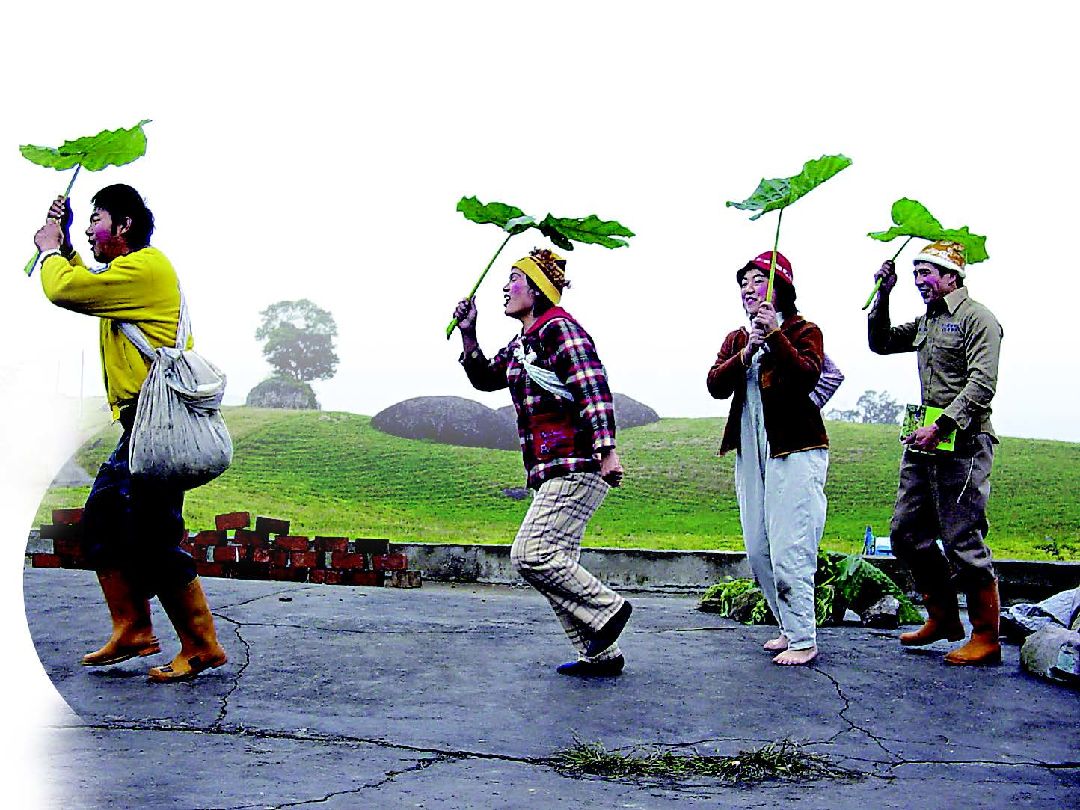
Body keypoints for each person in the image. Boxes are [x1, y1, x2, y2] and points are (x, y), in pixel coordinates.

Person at [33, 184, 227, 683]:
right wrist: (71, 242)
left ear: (124, 226)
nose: (92, 229)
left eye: (97, 219)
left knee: (154, 535)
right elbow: (88, 280)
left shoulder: (146, 268)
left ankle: (201, 644)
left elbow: (65, 289)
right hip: (139, 427)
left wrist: (52, 248)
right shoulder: (127, 277)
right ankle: (134, 628)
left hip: (158, 425)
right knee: (103, 520)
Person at [451, 247, 632, 677]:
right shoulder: (522, 343)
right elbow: (487, 377)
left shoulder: (560, 330)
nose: (505, 286)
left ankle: (608, 610)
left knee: (531, 554)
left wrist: (607, 452)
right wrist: (468, 333)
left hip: (577, 464)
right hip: (551, 467)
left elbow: (593, 389)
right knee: (555, 563)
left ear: (536, 289)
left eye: (514, 278)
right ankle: (600, 655)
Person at [868, 241, 1004, 666]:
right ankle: (943, 617)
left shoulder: (978, 318)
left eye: (925, 272)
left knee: (962, 537)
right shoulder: (928, 320)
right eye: (914, 274)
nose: (919, 281)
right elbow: (882, 342)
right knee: (905, 532)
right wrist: (883, 294)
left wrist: (941, 425)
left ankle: (987, 637)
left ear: (951, 275)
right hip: (923, 442)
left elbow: (982, 385)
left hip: (962, 441)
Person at [707, 251, 828, 666]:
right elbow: (714, 385)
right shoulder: (739, 338)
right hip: (750, 445)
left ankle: (803, 638)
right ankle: (786, 625)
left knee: (790, 544)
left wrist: (776, 336)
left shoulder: (804, 330)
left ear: (781, 289)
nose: (747, 289)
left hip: (795, 448)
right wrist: (746, 353)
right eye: (743, 283)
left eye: (757, 281)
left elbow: (807, 375)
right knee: (758, 547)